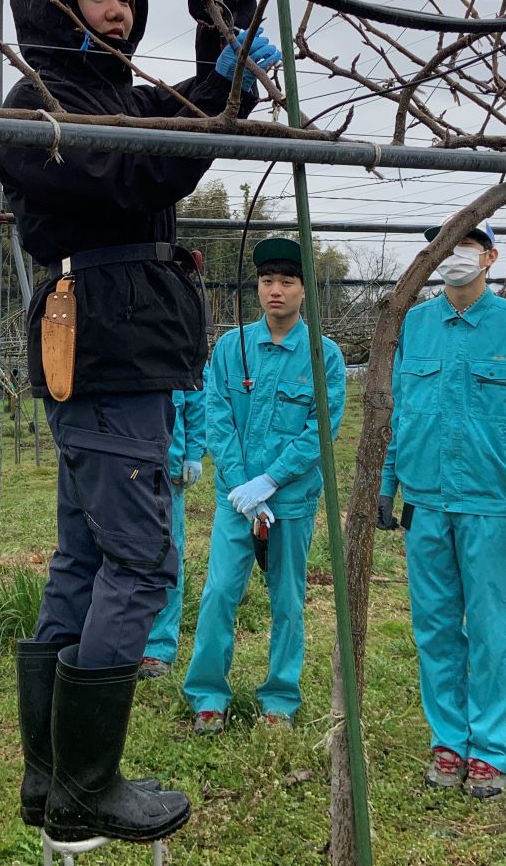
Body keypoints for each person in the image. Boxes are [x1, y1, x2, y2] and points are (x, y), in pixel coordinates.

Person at [0, 0, 281, 844]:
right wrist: (217, 92)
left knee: (84, 555)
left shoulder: (120, 94)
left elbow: (198, 116)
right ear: (54, 2)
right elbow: (138, 172)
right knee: (141, 559)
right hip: (106, 337)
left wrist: (219, 12)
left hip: (122, 340)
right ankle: (88, 782)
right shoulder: (38, 101)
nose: (119, 8)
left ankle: (51, 778)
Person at [377, 218, 506, 800]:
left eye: (466, 247)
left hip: (490, 505)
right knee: (434, 628)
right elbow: (397, 410)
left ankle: (490, 748)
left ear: (490, 258)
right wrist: (388, 483)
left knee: (489, 629)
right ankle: (448, 739)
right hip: (426, 503)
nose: (453, 258)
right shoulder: (414, 324)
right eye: (442, 249)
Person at [182, 237, 346, 733]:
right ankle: (208, 694)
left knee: (288, 600)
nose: (275, 291)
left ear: (304, 291)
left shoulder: (323, 355)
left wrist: (271, 481)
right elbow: (217, 417)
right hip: (237, 503)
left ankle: (279, 699)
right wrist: (242, 487)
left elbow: (322, 426)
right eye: (267, 282)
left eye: (287, 283)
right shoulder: (232, 349)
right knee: (219, 595)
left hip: (290, 503)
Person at [139, 388, 206, 680]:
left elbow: (196, 399)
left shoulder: (179, 346)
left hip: (169, 466)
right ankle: (127, 638)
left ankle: (159, 647)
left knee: (167, 554)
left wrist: (193, 453)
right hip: (125, 464)